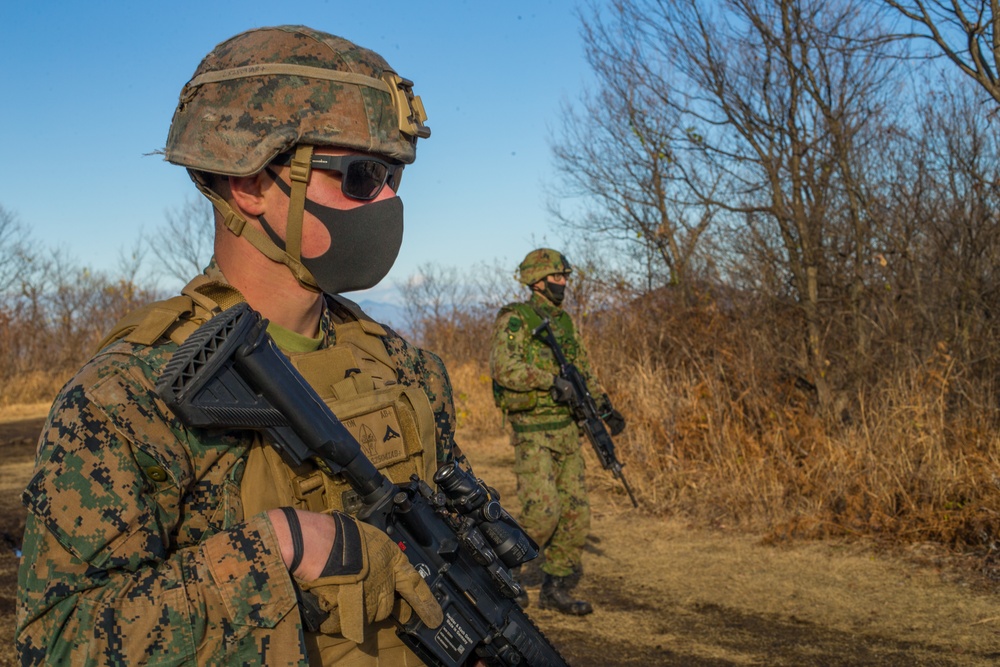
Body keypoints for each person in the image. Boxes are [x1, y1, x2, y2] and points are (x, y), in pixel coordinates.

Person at [16, 25, 471, 666]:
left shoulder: (407, 370)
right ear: (250, 184)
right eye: (363, 176)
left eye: (395, 175)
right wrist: (279, 547)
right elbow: (60, 641)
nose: (389, 200)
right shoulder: (130, 395)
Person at [488, 248, 625, 617]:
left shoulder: (563, 323)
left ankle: (556, 587)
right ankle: (503, 575)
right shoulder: (516, 319)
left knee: (576, 514)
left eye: (565, 277)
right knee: (543, 512)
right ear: (538, 280)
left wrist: (605, 407)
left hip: (567, 430)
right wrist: (549, 381)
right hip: (533, 430)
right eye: (558, 277)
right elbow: (504, 368)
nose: (564, 283)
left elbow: (582, 370)